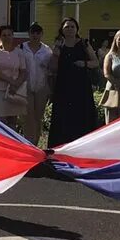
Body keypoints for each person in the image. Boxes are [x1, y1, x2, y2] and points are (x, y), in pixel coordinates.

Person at [47, 18, 99, 148]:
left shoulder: (84, 43)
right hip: (63, 85)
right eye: (67, 27)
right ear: (62, 30)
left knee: (81, 113)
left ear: (76, 29)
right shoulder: (59, 44)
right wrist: (55, 54)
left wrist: (84, 63)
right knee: (63, 115)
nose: (69, 29)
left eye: (72, 27)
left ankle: (83, 144)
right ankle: (61, 144)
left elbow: (96, 62)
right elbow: (52, 68)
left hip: (81, 84)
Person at [0, 25, 27, 129]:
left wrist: (16, 84)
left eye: (9, 35)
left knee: (12, 121)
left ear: (13, 36)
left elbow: (23, 71)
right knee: (1, 122)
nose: (7, 37)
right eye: (4, 35)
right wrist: (10, 80)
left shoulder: (19, 52)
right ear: (0, 36)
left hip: (14, 90)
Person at [20, 22, 52, 145]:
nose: (35, 35)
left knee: (38, 117)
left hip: (41, 86)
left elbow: (52, 68)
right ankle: (27, 142)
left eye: (38, 33)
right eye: (33, 32)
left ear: (42, 34)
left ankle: (36, 143)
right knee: (28, 116)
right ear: (29, 34)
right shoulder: (22, 48)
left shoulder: (47, 50)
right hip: (25, 86)